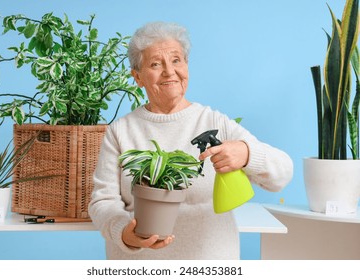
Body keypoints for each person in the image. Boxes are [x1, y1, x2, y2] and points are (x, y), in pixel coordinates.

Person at [88, 21, 293, 260]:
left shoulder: (215, 122)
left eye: (176, 60)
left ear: (186, 66)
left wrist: (247, 154)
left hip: (210, 261)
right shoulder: (121, 131)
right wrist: (124, 234)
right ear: (138, 77)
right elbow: (103, 201)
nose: (169, 71)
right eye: (156, 64)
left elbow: (283, 173)